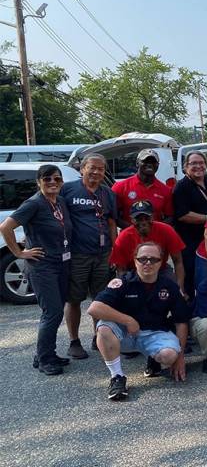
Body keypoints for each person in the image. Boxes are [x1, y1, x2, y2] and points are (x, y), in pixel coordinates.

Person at [88, 242, 190, 401]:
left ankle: (153, 358)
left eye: (153, 259)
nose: (147, 263)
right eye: (142, 259)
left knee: (170, 355)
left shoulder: (169, 286)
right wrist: (127, 320)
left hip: (154, 333)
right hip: (125, 334)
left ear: (161, 262)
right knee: (104, 329)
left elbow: (181, 322)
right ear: (135, 261)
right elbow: (94, 308)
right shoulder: (123, 282)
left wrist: (180, 357)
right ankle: (117, 377)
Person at [0, 165, 72, 375]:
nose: (52, 183)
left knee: (55, 311)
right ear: (38, 181)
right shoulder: (34, 203)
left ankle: (44, 352)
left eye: (57, 179)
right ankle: (45, 360)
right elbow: (6, 227)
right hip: (43, 266)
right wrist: (20, 253)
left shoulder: (60, 202)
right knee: (53, 312)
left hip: (61, 263)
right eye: (47, 179)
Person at [60, 153, 117, 359]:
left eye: (100, 169)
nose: (96, 172)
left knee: (100, 299)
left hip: (102, 254)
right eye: (92, 167)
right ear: (82, 168)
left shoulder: (107, 193)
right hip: (77, 255)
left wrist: (114, 249)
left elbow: (111, 223)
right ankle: (74, 341)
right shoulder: (67, 190)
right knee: (74, 299)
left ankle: (97, 337)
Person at [111, 200, 187, 293]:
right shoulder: (123, 237)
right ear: (132, 220)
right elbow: (121, 270)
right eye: (138, 219)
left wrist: (180, 289)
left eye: (147, 218)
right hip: (134, 272)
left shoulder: (167, 230)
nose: (143, 222)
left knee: (174, 290)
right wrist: (125, 291)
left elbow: (178, 261)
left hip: (160, 270)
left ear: (152, 217)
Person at [172, 150, 207, 298]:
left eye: (201, 163)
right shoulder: (182, 187)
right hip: (190, 242)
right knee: (193, 277)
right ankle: (192, 312)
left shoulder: (206, 181)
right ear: (185, 167)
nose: (198, 166)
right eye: (193, 163)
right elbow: (183, 215)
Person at [111, 148, 173, 228]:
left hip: (155, 238)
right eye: (145, 161)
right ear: (137, 163)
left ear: (158, 165)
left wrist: (154, 230)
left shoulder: (166, 190)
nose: (149, 164)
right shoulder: (120, 187)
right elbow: (113, 216)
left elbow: (170, 217)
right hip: (130, 237)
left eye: (153, 162)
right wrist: (134, 230)